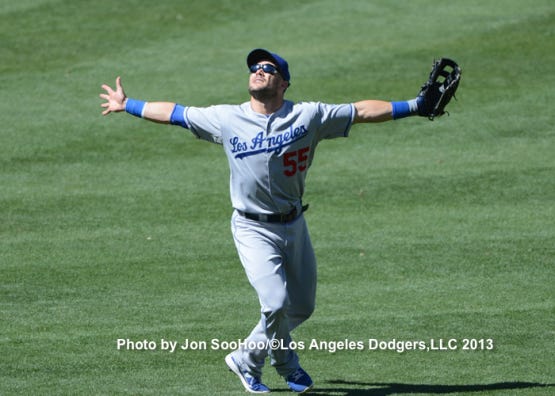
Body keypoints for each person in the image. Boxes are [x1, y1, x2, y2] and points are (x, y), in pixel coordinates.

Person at [100, 48, 424, 394]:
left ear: (283, 83)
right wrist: (128, 104)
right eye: (254, 67)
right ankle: (250, 361)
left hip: (295, 225)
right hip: (252, 227)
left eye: (268, 68)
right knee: (274, 302)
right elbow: (176, 113)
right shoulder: (226, 118)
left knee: (302, 306)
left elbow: (360, 111)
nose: (259, 71)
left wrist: (415, 106)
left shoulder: (308, 115)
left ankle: (280, 360)